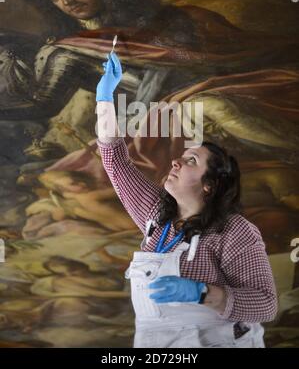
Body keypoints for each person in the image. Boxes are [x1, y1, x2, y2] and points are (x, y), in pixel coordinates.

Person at [95, 51, 278, 348]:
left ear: (210, 185)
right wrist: (104, 100)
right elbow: (115, 160)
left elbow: (266, 305)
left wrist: (201, 293)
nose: (176, 163)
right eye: (179, 158)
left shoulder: (234, 231)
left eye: (191, 161)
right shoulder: (156, 215)